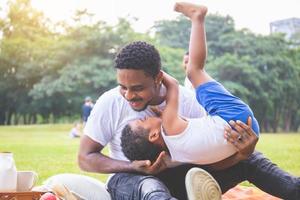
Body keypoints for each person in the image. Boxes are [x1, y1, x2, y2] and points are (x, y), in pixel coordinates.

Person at [78, 3, 300, 200]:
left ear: (158, 78)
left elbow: (210, 158)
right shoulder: (110, 102)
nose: (128, 95)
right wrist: (133, 167)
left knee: (252, 161)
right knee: (150, 186)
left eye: (137, 88)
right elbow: (85, 158)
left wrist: (242, 153)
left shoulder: (185, 100)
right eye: (123, 87)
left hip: (186, 177)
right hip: (132, 180)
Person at [121, 1, 260, 166]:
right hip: (232, 118)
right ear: (153, 136)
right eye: (143, 121)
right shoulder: (170, 126)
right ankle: (197, 16)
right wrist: (146, 73)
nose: (145, 117)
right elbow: (172, 85)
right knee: (194, 71)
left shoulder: (179, 156)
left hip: (243, 134)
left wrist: (163, 116)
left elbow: (194, 135)